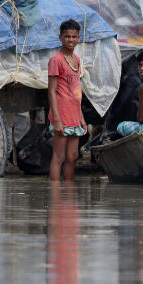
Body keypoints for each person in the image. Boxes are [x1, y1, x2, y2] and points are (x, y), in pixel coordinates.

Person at [48, 19, 87, 181]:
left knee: (72, 157)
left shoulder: (76, 59)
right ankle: (56, 197)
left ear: (78, 38)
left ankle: (68, 196)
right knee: (59, 158)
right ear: (60, 38)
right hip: (62, 117)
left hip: (74, 117)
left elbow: (76, 93)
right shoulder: (56, 60)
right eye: (67, 36)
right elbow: (51, 91)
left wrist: (82, 119)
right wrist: (56, 119)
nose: (71, 39)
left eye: (74, 36)